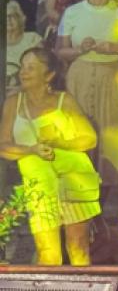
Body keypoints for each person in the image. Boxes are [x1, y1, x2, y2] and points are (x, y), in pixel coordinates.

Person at [0, 46, 100, 265]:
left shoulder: (65, 101)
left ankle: (83, 283)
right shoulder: (13, 103)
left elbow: (90, 138)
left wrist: (58, 142)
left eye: (31, 68)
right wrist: (31, 149)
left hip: (73, 180)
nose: (23, 72)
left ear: (49, 75)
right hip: (39, 184)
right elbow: (3, 146)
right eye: (22, 67)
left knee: (78, 247)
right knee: (47, 252)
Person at [55, 0, 118, 188]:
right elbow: (60, 51)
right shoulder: (73, 12)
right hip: (80, 74)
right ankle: (77, 184)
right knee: (78, 128)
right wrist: (80, 50)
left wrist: (114, 47)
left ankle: (108, 188)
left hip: (110, 75)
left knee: (110, 132)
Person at [5, 1, 41, 94]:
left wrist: (21, 88)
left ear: (21, 18)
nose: (8, 20)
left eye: (12, 16)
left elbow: (42, 69)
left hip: (27, 91)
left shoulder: (33, 39)